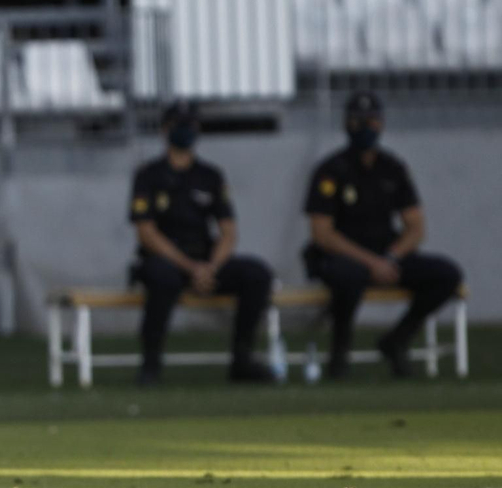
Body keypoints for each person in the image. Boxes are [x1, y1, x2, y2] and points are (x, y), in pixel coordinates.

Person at [303, 92, 463, 379]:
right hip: (345, 256)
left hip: (389, 255)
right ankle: (339, 354)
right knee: (348, 278)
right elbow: (322, 233)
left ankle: (398, 339)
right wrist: (371, 263)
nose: (366, 127)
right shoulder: (331, 170)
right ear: (346, 124)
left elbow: (415, 227)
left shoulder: (393, 168)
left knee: (446, 275)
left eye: (372, 120)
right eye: (359, 121)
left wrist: (390, 257)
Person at [129, 101, 274, 386]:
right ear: (165, 130)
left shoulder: (210, 176)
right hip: (166, 259)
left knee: (257, 274)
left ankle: (242, 360)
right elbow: (146, 232)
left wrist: (210, 267)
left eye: (190, 126)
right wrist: (190, 267)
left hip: (205, 259)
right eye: (178, 126)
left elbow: (229, 232)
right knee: (162, 277)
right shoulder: (149, 176)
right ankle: (151, 364)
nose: (185, 132)